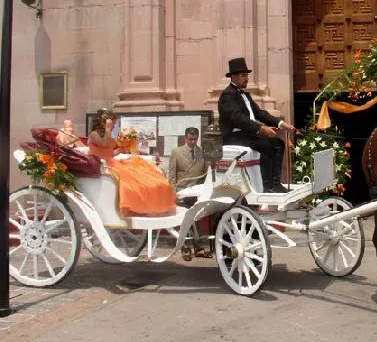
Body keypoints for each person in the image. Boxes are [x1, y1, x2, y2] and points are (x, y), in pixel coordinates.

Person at [218, 57, 295, 193]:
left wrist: (280, 123)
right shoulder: (227, 95)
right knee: (266, 146)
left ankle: (275, 184)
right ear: (233, 77)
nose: (247, 78)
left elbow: (259, 113)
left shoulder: (245, 95)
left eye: (247, 75)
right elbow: (237, 118)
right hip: (233, 135)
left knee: (278, 144)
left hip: (247, 133)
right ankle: (266, 186)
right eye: (243, 75)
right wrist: (260, 128)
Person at [88, 108, 176, 217]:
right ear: (104, 122)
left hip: (111, 162)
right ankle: (134, 206)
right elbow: (105, 144)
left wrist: (122, 148)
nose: (114, 126)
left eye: (114, 124)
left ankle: (153, 201)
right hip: (102, 165)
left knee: (143, 173)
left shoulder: (108, 133)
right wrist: (108, 129)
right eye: (113, 123)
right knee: (130, 179)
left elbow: (109, 152)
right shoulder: (93, 134)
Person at [168, 127, 211, 259]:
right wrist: (173, 192)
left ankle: (198, 248)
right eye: (190, 139)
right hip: (182, 191)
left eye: (195, 139)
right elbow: (172, 175)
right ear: (185, 138)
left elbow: (205, 174)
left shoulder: (202, 152)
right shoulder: (176, 152)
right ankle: (185, 248)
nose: (192, 141)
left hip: (197, 192)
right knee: (185, 221)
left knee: (197, 219)